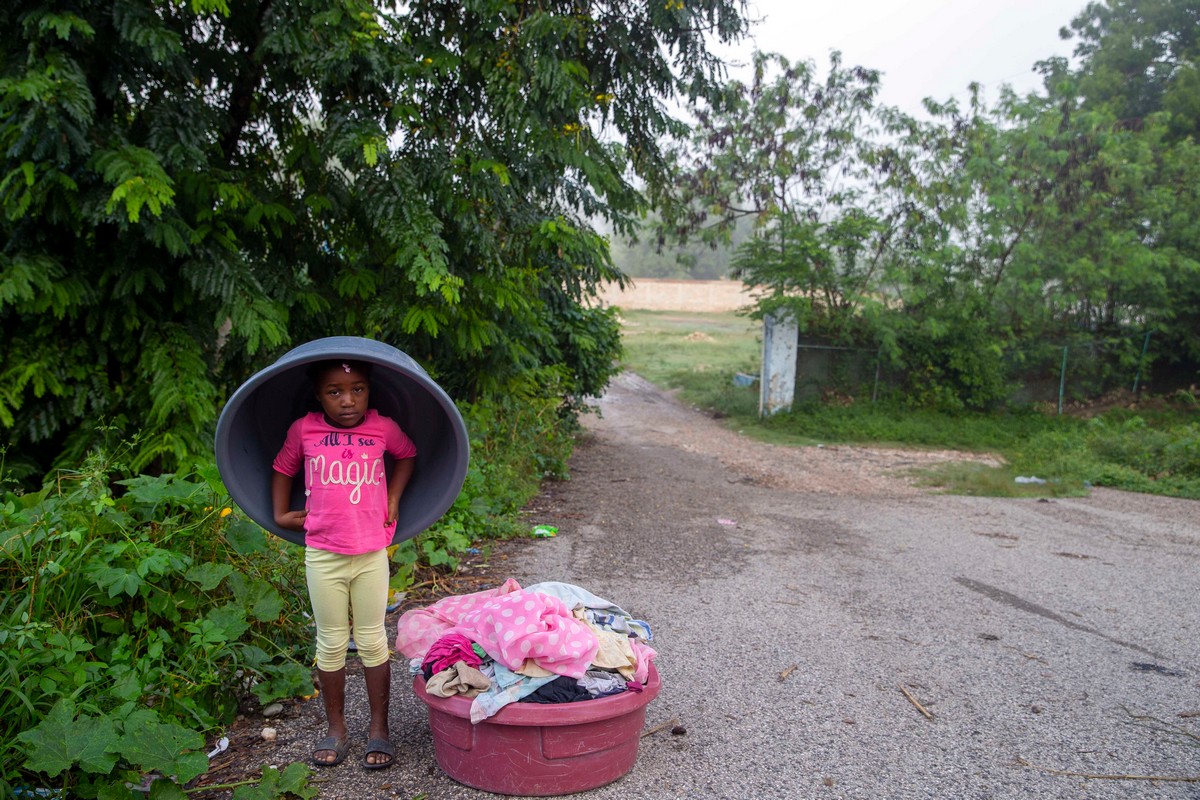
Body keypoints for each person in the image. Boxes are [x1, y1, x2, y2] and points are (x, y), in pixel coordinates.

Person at [271, 359, 417, 769]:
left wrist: (393, 498)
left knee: (372, 639)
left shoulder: (383, 428)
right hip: (323, 553)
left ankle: (379, 730)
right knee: (331, 641)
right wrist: (282, 513)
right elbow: (283, 468)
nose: (347, 400)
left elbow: (407, 456)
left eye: (357, 390)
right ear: (319, 396)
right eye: (334, 392)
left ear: (369, 391)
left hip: (371, 552)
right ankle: (335, 729)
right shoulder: (304, 429)